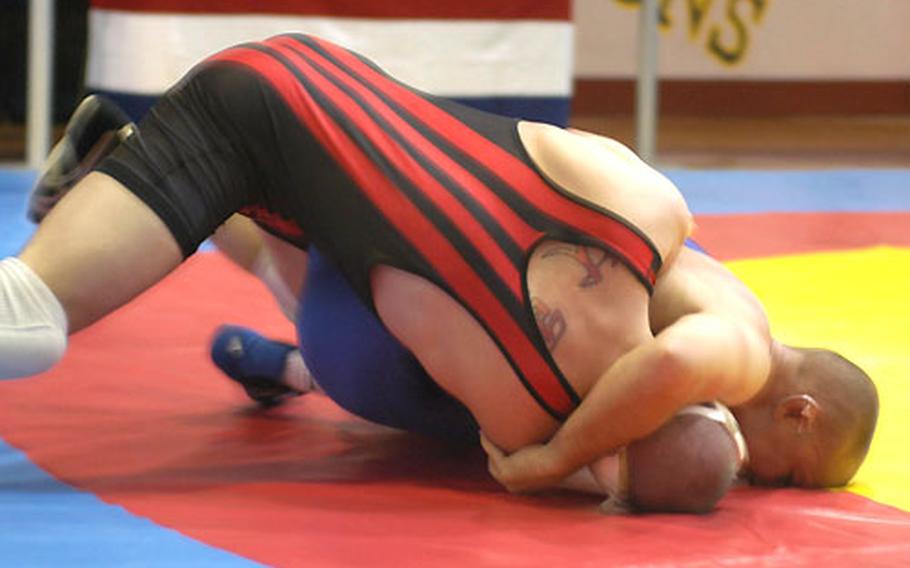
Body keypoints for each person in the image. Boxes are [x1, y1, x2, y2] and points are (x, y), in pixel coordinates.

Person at [0, 34, 876, 500]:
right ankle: (137, 192)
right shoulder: (542, 409)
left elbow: (671, 377)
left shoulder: (649, 205)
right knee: (32, 324)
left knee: (333, 265)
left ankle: (121, 165)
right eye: (786, 472)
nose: (766, 485)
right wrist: (557, 459)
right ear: (797, 414)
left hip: (305, 94)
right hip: (263, 136)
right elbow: (678, 377)